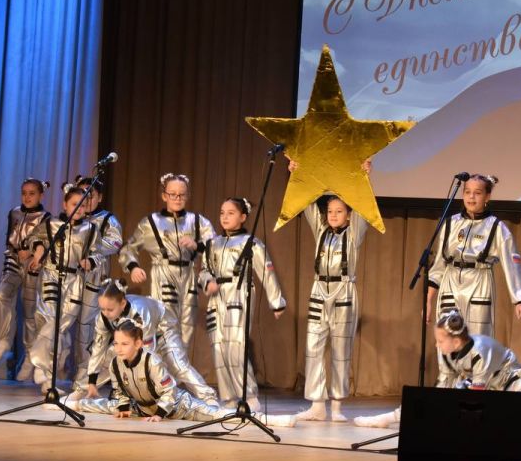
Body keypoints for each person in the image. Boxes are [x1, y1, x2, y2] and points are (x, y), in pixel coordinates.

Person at [76, 320, 295, 427]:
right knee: (103, 405)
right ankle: (70, 403)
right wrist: (124, 407)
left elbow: (169, 391)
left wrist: (159, 415)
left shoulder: (152, 361)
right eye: (116, 343)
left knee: (218, 415)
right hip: (143, 408)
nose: (119, 348)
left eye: (124, 344)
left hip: (178, 406)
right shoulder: (116, 363)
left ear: (139, 343)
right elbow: (120, 389)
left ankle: (270, 420)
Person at [354, 309, 521, 429]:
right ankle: (389, 418)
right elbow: (443, 389)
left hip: (513, 383)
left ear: (456, 341)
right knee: (433, 400)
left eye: (441, 341)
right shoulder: (449, 352)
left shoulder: (481, 352)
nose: (437, 345)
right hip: (484, 388)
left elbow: (477, 398)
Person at [291, 159, 369, 423]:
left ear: (348, 213)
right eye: (330, 211)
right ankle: (316, 404)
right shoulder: (321, 231)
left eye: (339, 211)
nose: (333, 215)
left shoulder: (354, 233)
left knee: (340, 349)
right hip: (318, 290)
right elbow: (306, 206)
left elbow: (363, 208)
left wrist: (365, 177)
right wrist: (296, 175)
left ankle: (336, 405)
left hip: (344, 291)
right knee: (313, 346)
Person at [198, 197, 286, 410]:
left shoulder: (252, 243)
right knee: (218, 347)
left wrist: (277, 302)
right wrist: (207, 281)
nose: (225, 217)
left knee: (235, 347)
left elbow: (266, 271)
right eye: (222, 212)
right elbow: (203, 270)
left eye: (230, 213)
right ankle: (228, 398)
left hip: (239, 293)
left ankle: (249, 397)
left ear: (243, 217)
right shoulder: (212, 244)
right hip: (216, 298)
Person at [73, 278, 215, 403]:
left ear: (122, 304)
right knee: (110, 355)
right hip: (137, 337)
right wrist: (92, 381)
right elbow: (98, 350)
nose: (105, 313)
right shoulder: (103, 318)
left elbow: (146, 353)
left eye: (109, 309)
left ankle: (209, 398)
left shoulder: (139, 313)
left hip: (163, 330)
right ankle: (83, 390)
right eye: (102, 309)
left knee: (177, 364)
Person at [425, 174, 521, 343]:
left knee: (477, 343)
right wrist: (428, 301)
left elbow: (512, 264)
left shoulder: (496, 227)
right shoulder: (450, 224)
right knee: (448, 341)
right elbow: (438, 264)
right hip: (450, 284)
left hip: (479, 283)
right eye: (467, 192)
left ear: (487, 196)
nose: (471, 197)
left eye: (477, 193)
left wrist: (520, 300)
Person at [120, 173, 215, 350]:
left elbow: (215, 247)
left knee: (187, 327)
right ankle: (165, 372)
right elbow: (129, 248)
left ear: (187, 196)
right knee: (165, 324)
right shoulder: (151, 223)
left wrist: (197, 245)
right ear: (164, 196)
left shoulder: (197, 222)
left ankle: (179, 371)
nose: (177, 198)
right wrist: (133, 267)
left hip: (188, 274)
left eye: (182, 194)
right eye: (173, 194)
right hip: (163, 273)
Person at [26, 185, 99, 391]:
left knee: (60, 327)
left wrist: (91, 261)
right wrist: (39, 250)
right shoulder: (51, 224)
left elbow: (98, 252)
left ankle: (45, 372)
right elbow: (34, 238)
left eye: (83, 205)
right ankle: (45, 374)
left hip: (75, 280)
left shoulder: (90, 229)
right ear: (65, 204)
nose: (79, 209)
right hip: (51, 274)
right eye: (75, 204)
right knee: (50, 321)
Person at [0, 178, 51, 381]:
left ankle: (30, 357)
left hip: (34, 266)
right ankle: (4, 340)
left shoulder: (46, 217)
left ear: (41, 195)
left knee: (30, 314)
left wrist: (32, 254)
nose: (27, 197)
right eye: (24, 192)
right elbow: (10, 238)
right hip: (14, 262)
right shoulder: (14, 212)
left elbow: (46, 244)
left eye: (32, 193)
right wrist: (17, 253)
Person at [73, 175, 124, 390]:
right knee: (63, 325)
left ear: (99, 197)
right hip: (72, 279)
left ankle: (84, 376)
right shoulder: (73, 219)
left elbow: (115, 242)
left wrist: (93, 251)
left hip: (94, 280)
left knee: (86, 329)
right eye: (83, 194)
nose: (86, 200)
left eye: (91, 195)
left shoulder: (107, 219)